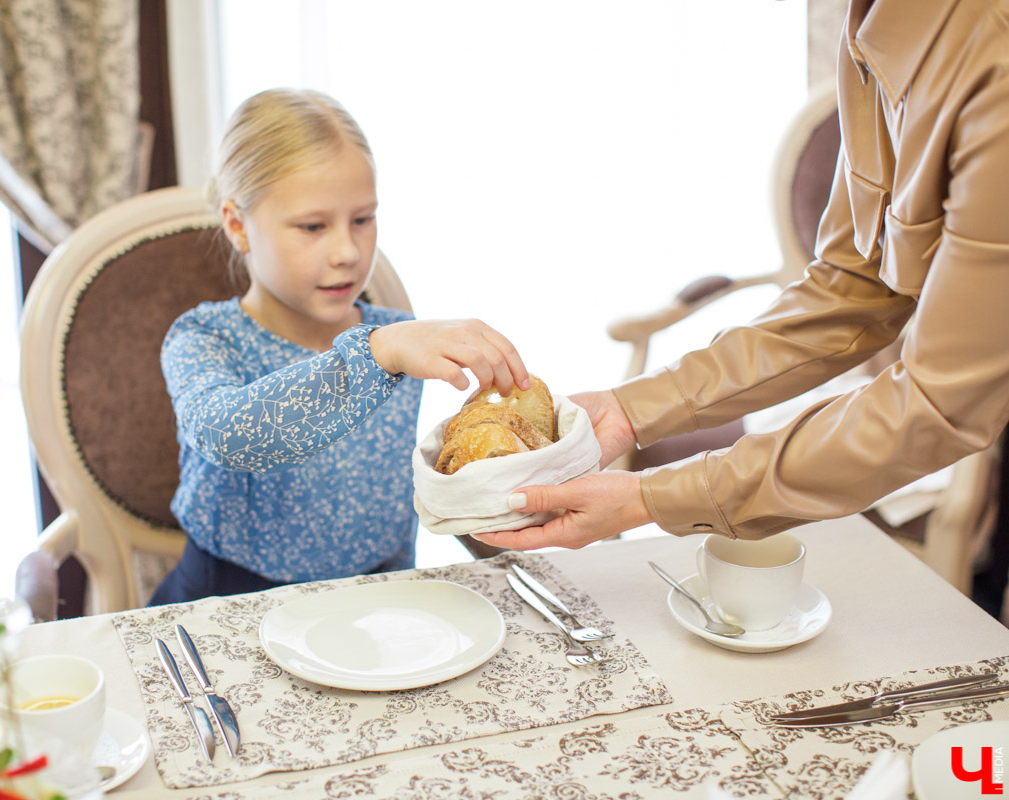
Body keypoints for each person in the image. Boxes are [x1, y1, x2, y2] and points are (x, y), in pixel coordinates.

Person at [473, 0, 1009, 553]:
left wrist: (651, 498)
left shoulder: (993, 59)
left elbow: (942, 401)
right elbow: (852, 288)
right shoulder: (872, 25)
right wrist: (630, 410)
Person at [150, 88, 529, 604]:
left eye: (362, 219)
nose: (348, 252)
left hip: (372, 605)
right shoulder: (205, 338)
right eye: (313, 226)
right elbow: (227, 434)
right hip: (229, 606)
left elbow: (400, 498)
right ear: (238, 225)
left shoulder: (395, 335)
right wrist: (378, 354)